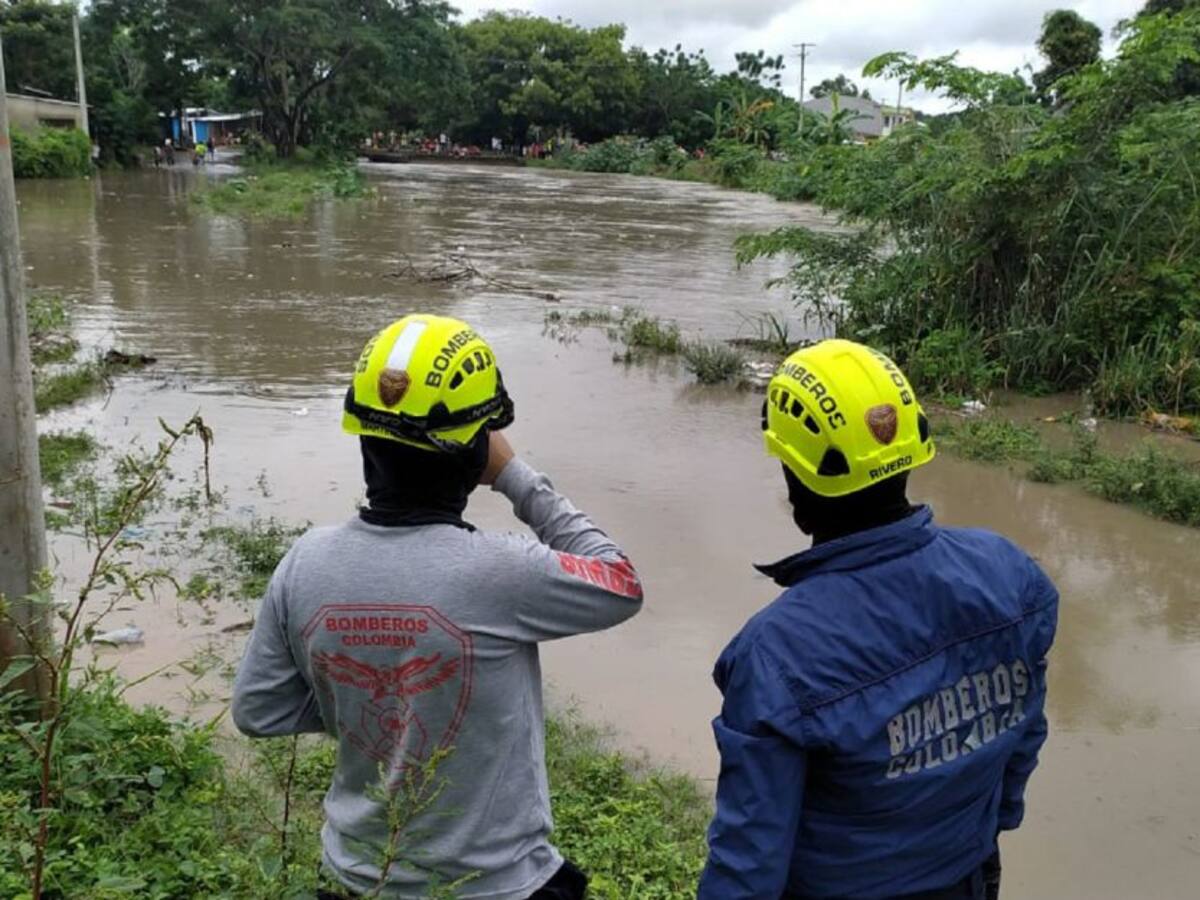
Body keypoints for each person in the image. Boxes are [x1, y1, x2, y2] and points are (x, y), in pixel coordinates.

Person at [232, 314, 643, 900]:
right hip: (497, 885)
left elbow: (258, 710)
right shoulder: (501, 571)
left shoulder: (307, 562)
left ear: (364, 441)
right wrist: (517, 477)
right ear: (476, 456)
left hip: (357, 879)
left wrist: (372, 706)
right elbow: (620, 582)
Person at [699, 339, 1058, 900]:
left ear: (796, 483)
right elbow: (1023, 736)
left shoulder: (777, 654)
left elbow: (749, 861)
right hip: (969, 875)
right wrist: (989, 834)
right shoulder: (1011, 574)